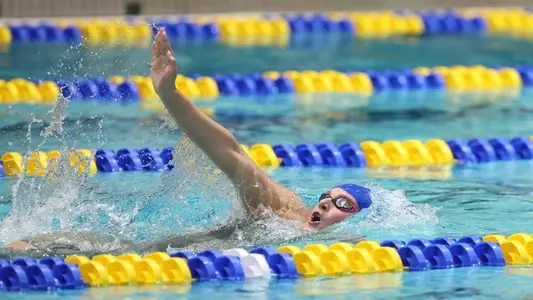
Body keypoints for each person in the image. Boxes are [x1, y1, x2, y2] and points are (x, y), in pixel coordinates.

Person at [2, 28, 371, 253]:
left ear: (358, 217)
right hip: (165, 252)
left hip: (189, 263)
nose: (324, 205)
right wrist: (169, 95)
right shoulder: (284, 211)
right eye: (325, 197)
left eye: (341, 203)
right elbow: (232, 154)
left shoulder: (352, 243)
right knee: (65, 251)